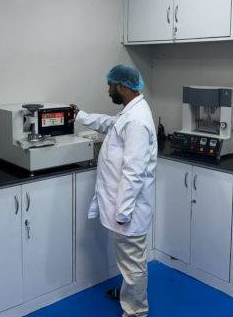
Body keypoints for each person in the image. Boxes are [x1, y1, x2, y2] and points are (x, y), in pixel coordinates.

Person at [71, 64, 156, 317]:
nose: (108, 91)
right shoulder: (129, 113)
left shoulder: (137, 121)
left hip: (128, 211)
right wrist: (80, 116)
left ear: (122, 86)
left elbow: (133, 172)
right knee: (127, 260)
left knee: (133, 263)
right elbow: (110, 123)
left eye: (110, 86)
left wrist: (123, 211)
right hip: (122, 207)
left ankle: (136, 312)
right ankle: (129, 294)